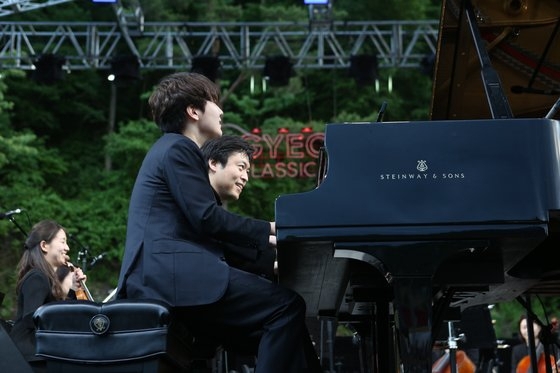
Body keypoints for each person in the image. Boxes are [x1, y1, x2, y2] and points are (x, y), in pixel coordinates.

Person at [116, 72, 320, 372]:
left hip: (167, 276)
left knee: (278, 326)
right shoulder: (178, 148)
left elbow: (210, 239)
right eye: (214, 102)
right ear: (194, 110)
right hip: (168, 277)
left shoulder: (172, 150)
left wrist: (271, 260)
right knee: (286, 307)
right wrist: (273, 229)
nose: (221, 110)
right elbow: (208, 220)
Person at [10, 219, 86, 372]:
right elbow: (36, 318)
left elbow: (52, 312)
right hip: (31, 358)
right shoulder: (37, 277)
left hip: (39, 354)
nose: (67, 247)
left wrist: (73, 289)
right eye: (63, 242)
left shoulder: (43, 277)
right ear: (44, 245)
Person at [200, 135, 276, 280]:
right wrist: (269, 229)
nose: (246, 177)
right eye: (241, 167)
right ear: (214, 163)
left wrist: (274, 263)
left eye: (247, 171)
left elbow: (229, 249)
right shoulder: (199, 205)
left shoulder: (210, 207)